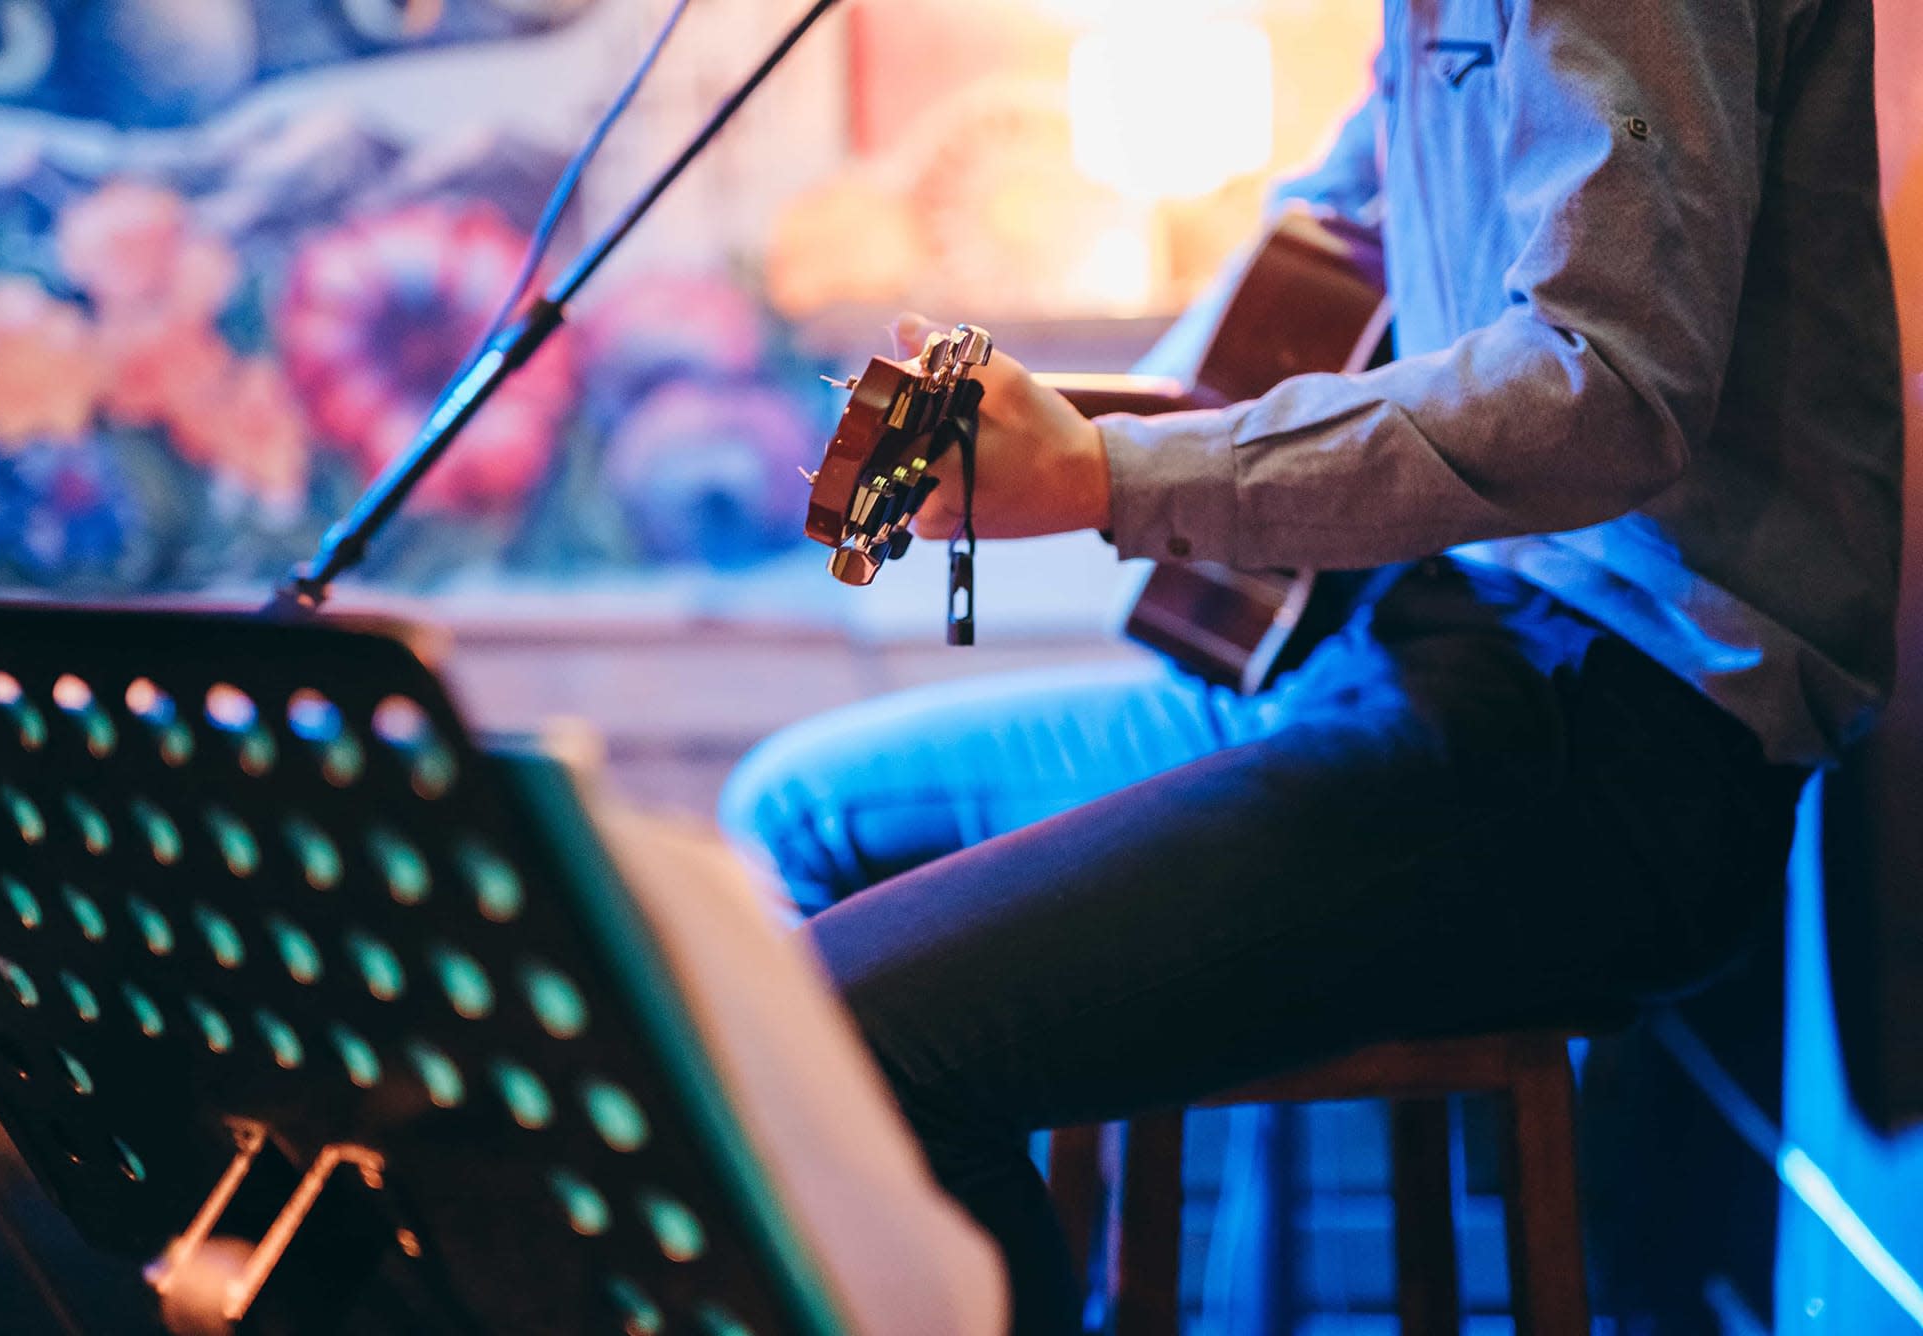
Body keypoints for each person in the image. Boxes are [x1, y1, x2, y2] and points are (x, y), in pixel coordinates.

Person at [720, 0, 1904, 1329]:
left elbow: (1607, 387)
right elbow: (1342, 221)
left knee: (858, 1041)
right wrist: (1068, 429)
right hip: (1415, 651)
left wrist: (1109, 474)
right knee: (801, 812)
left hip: (1624, 727)